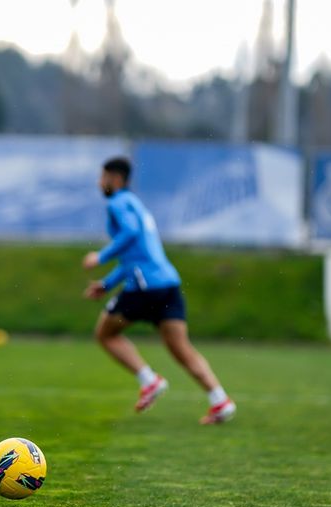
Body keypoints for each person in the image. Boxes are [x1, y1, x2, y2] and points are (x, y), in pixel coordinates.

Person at [82, 157, 236, 425]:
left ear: (115, 179)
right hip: (167, 283)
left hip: (145, 286)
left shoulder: (117, 203)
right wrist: (106, 284)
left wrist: (100, 257)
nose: (99, 182)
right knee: (180, 347)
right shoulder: (137, 205)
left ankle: (149, 380)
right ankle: (220, 400)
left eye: (103, 177)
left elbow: (129, 234)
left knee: (105, 334)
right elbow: (135, 255)